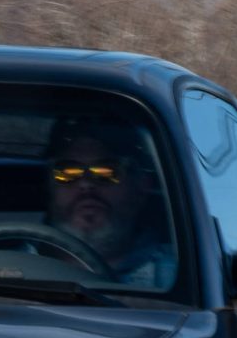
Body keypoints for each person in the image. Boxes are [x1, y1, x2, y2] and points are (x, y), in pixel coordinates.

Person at [45, 121, 176, 291]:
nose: (86, 184)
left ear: (141, 186)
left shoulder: (176, 276)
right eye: (67, 172)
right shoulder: (10, 262)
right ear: (49, 187)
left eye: (106, 172)